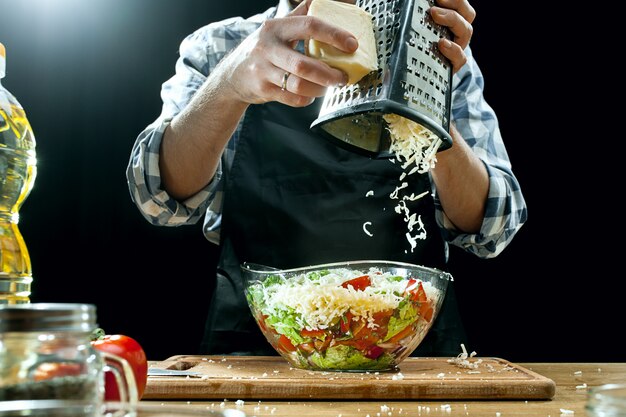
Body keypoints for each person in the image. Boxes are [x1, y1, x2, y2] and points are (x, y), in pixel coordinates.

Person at [126, 0, 527, 357]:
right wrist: (230, 83)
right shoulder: (220, 45)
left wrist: (423, 93)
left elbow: (492, 226)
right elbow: (160, 200)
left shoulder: (432, 49)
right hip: (257, 346)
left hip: (405, 345)